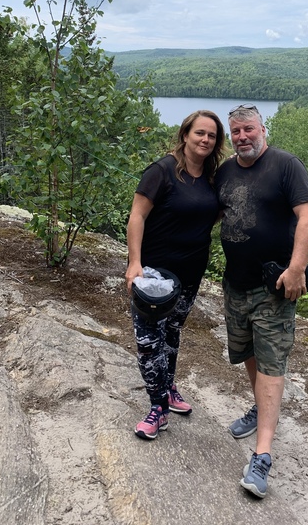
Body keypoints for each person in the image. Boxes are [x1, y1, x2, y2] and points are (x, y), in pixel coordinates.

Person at [215, 104, 308, 498]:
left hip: (273, 286)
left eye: (248, 129)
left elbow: (307, 218)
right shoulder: (225, 170)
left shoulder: (286, 165)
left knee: (272, 362)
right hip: (234, 284)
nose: (242, 136)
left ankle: (262, 457)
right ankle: (259, 408)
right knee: (249, 354)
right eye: (236, 131)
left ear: (262, 128)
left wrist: (295, 270)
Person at [125, 110, 225, 440]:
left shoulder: (212, 177)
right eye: (200, 133)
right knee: (149, 342)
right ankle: (157, 408)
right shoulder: (162, 171)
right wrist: (134, 263)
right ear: (185, 135)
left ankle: (167, 386)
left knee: (171, 335)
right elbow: (137, 216)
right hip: (154, 272)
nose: (205, 140)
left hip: (190, 274)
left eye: (211, 136)